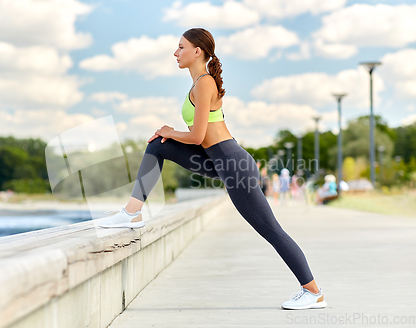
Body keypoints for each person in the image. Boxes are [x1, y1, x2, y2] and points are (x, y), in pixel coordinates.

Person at [97, 28, 326, 310]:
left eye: (180, 47)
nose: (175, 52)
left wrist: (171, 130)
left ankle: (313, 291)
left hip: (234, 165)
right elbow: (199, 137)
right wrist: (167, 135)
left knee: (272, 231)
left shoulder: (204, 83)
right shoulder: (198, 85)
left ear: (197, 51)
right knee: (158, 145)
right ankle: (132, 212)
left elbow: (196, 136)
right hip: (219, 160)